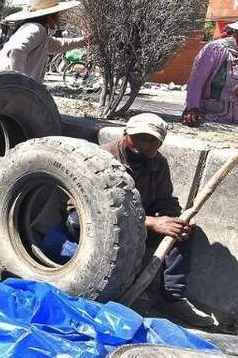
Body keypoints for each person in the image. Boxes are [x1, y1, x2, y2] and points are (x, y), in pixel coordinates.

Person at [75, 114, 213, 327]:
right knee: (79, 231)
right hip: (90, 220)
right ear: (126, 134)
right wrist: (150, 222)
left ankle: (171, 298)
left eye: (152, 141)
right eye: (139, 138)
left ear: (160, 143)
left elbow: (164, 200)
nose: (145, 145)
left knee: (180, 232)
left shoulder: (158, 163)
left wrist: (177, 219)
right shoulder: (102, 158)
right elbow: (94, 209)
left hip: (135, 222)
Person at [0, 0, 86, 201]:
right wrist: (21, 86)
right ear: (49, 17)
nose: (59, 19)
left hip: (1, 96)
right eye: (57, 15)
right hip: (6, 98)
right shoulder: (35, 29)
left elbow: (58, 45)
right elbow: (15, 51)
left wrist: (84, 41)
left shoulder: (40, 34)